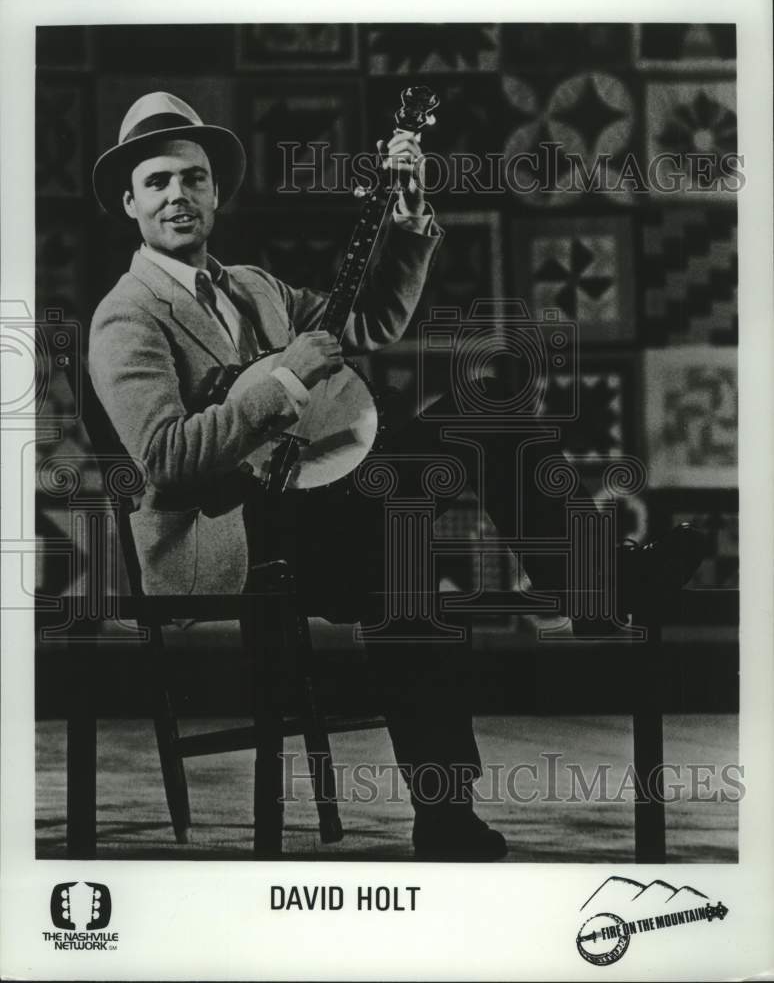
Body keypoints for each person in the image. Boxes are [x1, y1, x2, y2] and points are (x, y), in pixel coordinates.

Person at [89, 92, 708, 859]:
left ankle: (594, 586)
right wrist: (281, 387)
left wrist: (409, 220)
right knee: (401, 556)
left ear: (215, 192)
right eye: (158, 183)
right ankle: (446, 811)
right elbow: (167, 458)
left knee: (484, 414)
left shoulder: (255, 287)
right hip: (231, 531)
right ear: (129, 201)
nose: (178, 195)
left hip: (318, 499)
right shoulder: (127, 317)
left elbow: (371, 322)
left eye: (193, 178)